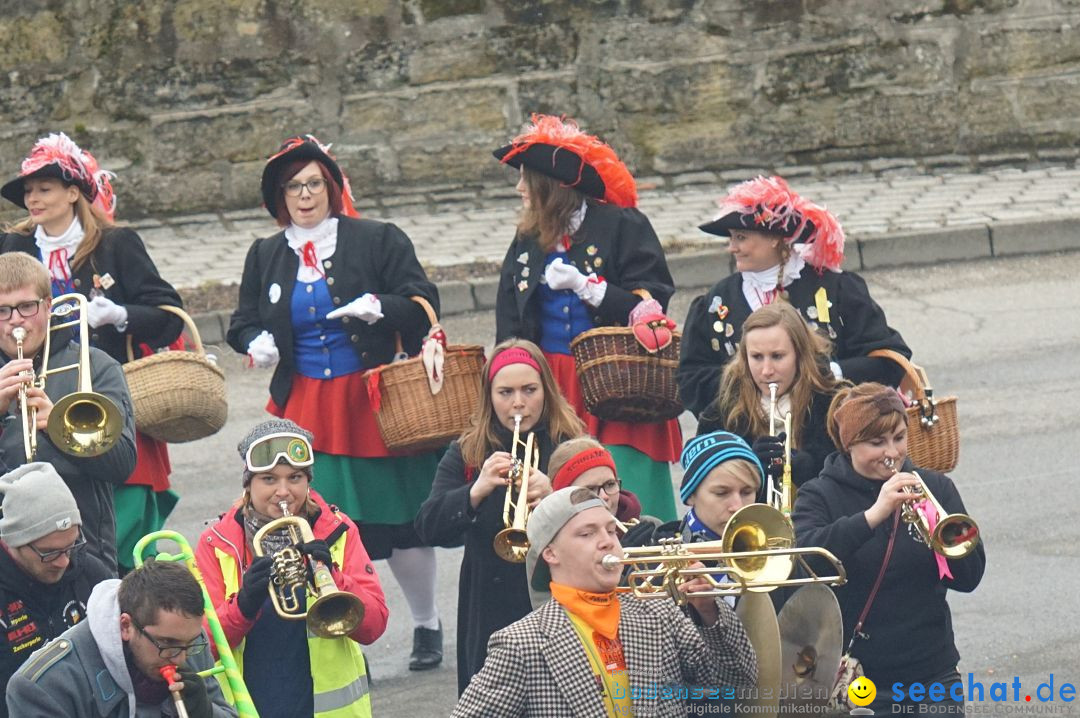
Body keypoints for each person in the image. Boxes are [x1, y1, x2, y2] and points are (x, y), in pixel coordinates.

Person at [226, 135, 444, 671]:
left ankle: (426, 623)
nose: (305, 195)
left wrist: (382, 308)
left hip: (374, 403)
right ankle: (338, 620)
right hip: (307, 409)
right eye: (294, 186)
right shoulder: (265, 253)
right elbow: (242, 321)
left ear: (333, 187)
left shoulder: (377, 238)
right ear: (279, 196)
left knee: (401, 522)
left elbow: (422, 302)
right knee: (318, 526)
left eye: (314, 184)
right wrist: (254, 341)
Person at [0, 132, 185, 576]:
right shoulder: (15, 246)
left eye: (44, 188)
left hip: (99, 392)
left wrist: (120, 314)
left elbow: (168, 314)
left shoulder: (114, 243)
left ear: (73, 192)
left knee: (121, 523)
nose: (33, 198)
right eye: (28, 191)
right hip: (30, 381)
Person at [493, 114, 682, 522]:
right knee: (562, 502)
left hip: (619, 380)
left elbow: (654, 305)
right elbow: (509, 318)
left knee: (629, 497)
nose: (519, 188)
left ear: (552, 185)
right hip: (554, 385)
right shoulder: (527, 240)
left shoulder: (622, 226)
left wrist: (590, 288)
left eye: (526, 178)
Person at [453, 486, 758, 717]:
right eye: (587, 534)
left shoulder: (659, 612)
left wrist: (709, 611)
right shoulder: (520, 644)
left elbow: (734, 685)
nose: (607, 541)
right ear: (551, 554)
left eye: (611, 530)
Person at [792, 383, 985, 715]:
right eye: (876, 442)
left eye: (898, 437)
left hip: (932, 672)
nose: (892, 452)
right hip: (860, 678)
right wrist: (871, 517)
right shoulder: (818, 495)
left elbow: (968, 579)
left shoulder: (934, 487)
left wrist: (949, 537)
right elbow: (806, 563)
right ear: (848, 443)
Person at [415, 339, 584, 694]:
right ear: (489, 397)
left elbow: (613, 508)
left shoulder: (570, 442)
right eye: (505, 392)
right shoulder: (468, 450)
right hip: (489, 601)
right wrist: (475, 491)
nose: (518, 403)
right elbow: (428, 526)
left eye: (529, 390)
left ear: (547, 391)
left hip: (558, 595)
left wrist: (556, 494)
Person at [194, 419, 388, 718]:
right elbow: (199, 648)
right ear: (249, 483)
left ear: (308, 481)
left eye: (294, 478)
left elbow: (373, 626)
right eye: (269, 479)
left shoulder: (338, 530)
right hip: (251, 703)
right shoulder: (216, 543)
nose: (283, 492)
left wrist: (331, 576)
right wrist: (243, 606)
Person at [679, 175, 910, 419]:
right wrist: (747, 382)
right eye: (732, 237)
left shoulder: (835, 288)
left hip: (831, 431)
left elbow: (889, 359)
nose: (732, 247)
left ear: (775, 238)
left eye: (741, 237)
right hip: (749, 437)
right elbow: (691, 378)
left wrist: (830, 373)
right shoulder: (717, 301)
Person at [0, 252, 136, 573]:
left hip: (82, 550)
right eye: (2, 310)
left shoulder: (97, 366)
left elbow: (122, 465)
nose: (15, 320)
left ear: (48, 306)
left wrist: (62, 428)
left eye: (26, 307)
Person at [6, 559, 235, 717]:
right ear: (125, 626)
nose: (181, 659)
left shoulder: (185, 639)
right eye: (167, 644)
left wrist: (206, 712)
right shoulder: (46, 686)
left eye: (189, 644)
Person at [0, 462, 111, 713]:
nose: (64, 562)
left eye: (71, 546)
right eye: (49, 553)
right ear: (14, 542)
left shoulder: (91, 573)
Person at [698, 302, 843, 493]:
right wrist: (748, 464)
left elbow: (857, 477)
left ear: (800, 355)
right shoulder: (722, 412)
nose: (766, 371)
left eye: (777, 356)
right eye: (757, 357)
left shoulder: (834, 404)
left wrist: (812, 466)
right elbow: (700, 483)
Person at [546, 436, 643, 532]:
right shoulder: (546, 542)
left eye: (610, 484)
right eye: (590, 489)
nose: (604, 496)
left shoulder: (649, 526)